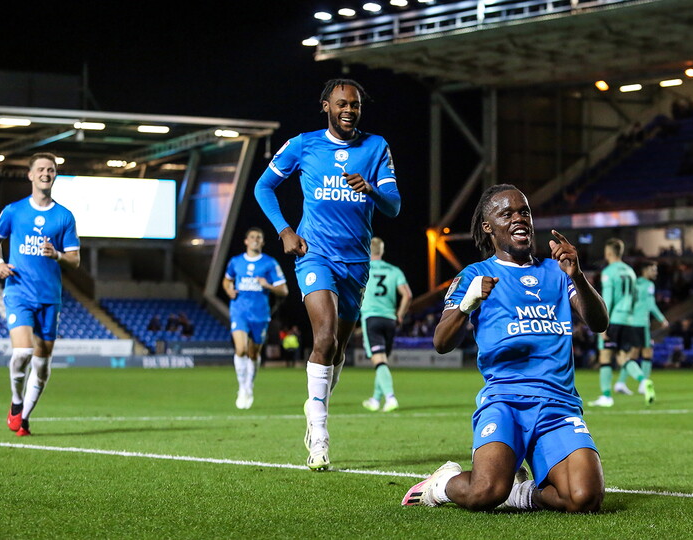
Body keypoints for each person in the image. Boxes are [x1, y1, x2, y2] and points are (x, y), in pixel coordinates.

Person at [402, 184, 608, 513]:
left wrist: (578, 275)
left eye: (524, 212)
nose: (518, 219)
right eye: (507, 213)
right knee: (484, 493)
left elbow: (599, 322)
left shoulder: (557, 272)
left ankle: (520, 494)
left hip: (558, 405)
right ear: (489, 227)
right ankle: (441, 484)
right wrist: (468, 303)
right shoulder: (475, 275)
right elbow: (442, 342)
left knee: (584, 498)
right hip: (505, 401)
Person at [254, 78, 400, 470]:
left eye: (354, 105)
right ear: (326, 106)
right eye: (341, 104)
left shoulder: (376, 147)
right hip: (314, 255)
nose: (349, 110)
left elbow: (394, 207)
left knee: (336, 352)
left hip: (356, 263)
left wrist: (370, 189)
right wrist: (285, 230)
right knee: (324, 336)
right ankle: (319, 437)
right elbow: (264, 187)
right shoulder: (303, 144)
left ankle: (315, 405)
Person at [0, 152, 80, 436]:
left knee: (42, 363)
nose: (45, 174)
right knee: (23, 351)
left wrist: (58, 255)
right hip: (19, 292)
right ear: (30, 175)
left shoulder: (64, 216)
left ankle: (23, 417)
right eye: (40, 169)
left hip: (50, 297)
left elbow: (75, 260)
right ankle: (16, 401)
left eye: (50, 170)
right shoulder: (14, 211)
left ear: (54, 175)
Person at [222, 227, 288, 409]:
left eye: (259, 237)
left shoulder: (269, 263)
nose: (255, 240)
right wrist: (229, 290)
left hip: (260, 313)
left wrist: (267, 285)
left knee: (253, 353)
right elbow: (227, 280)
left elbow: (284, 290)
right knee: (241, 349)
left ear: (263, 242)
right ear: (246, 241)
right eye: (252, 237)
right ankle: (242, 388)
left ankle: (249, 384)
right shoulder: (235, 262)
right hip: (239, 311)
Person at [589, 238, 655, 406]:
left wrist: (602, 325)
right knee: (623, 357)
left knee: (606, 356)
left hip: (613, 319)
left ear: (608, 252)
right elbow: (634, 298)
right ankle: (643, 380)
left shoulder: (609, 272)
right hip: (628, 320)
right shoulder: (631, 272)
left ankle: (606, 396)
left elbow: (607, 300)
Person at [360, 237, 412, 413]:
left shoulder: (363, 268)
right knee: (382, 360)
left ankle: (390, 398)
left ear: (368, 250)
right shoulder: (394, 270)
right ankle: (375, 400)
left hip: (371, 318)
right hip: (390, 319)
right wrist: (400, 314)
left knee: (379, 361)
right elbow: (407, 295)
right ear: (381, 251)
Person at [624, 261, 669, 394]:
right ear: (645, 270)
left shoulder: (634, 282)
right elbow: (651, 305)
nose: (655, 272)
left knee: (632, 354)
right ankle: (643, 382)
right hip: (642, 322)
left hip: (631, 321)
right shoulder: (649, 285)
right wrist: (662, 319)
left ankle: (622, 383)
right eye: (653, 270)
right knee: (646, 353)